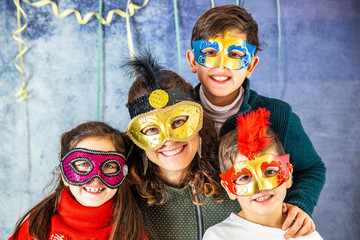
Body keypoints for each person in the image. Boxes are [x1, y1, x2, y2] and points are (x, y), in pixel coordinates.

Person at [186, 5, 326, 238]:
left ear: (250, 65)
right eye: (210, 52)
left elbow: (312, 168)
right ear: (193, 60)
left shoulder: (278, 115)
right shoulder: (177, 117)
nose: (222, 64)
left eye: (235, 54)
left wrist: (300, 204)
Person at [124, 50, 240, 240]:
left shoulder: (234, 178)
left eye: (178, 122)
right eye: (151, 130)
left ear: (198, 120)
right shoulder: (126, 196)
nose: (168, 139)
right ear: (137, 138)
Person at [9, 121, 148, 240]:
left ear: (122, 173)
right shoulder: (38, 223)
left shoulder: (132, 232)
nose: (95, 179)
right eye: (83, 164)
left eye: (109, 166)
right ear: (64, 174)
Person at [203, 108, 323, 240]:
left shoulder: (307, 234)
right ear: (229, 188)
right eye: (244, 177)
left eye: (270, 171)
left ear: (288, 175)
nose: (260, 187)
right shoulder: (219, 236)